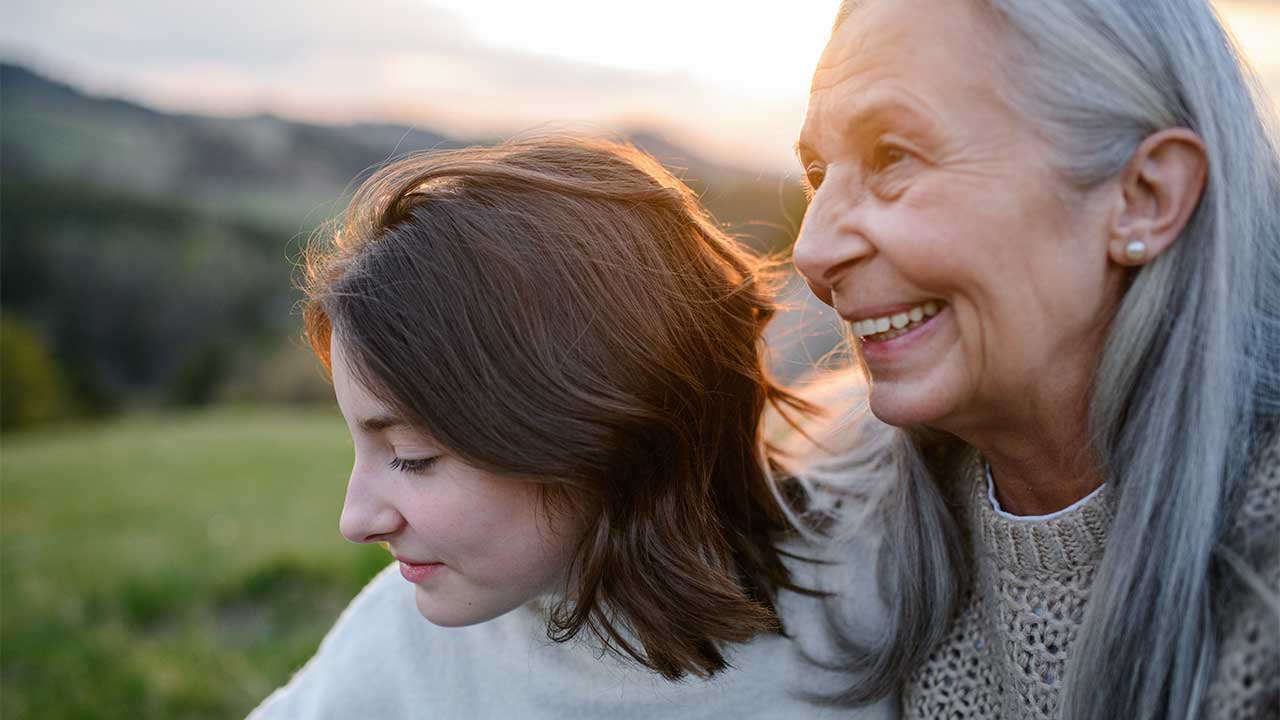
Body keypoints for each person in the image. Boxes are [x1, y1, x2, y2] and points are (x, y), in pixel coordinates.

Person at [247, 136, 890, 719]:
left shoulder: (873, 598)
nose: (355, 520)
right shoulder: (400, 639)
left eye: (413, 456)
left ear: (602, 429)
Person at [791, 0, 1280, 718]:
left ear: (1143, 198)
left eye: (893, 155)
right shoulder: (822, 526)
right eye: (814, 172)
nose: (811, 251)